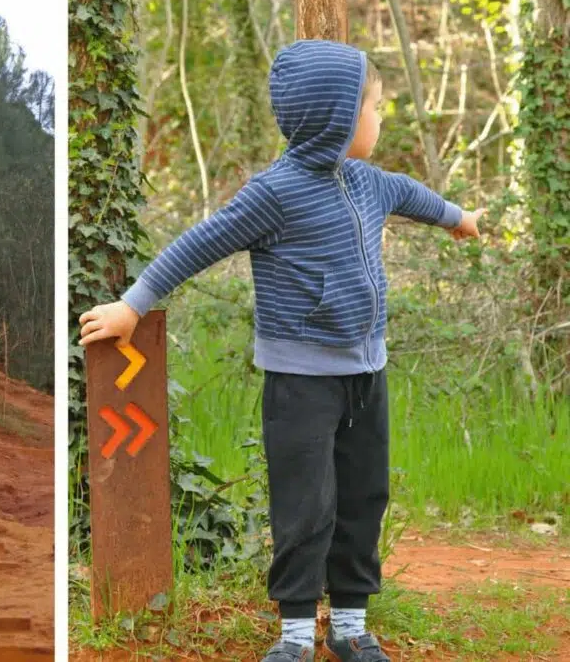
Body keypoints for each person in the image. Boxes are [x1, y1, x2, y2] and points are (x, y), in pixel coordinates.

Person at [77, 39, 484, 662]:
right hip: (301, 384)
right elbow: (198, 244)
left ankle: (350, 624)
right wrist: (133, 304)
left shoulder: (370, 182)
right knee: (304, 506)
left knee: (363, 498)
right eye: (373, 106)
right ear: (338, 117)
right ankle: (296, 632)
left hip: (367, 374)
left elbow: (411, 194)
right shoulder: (273, 194)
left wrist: (457, 216)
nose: (381, 116)